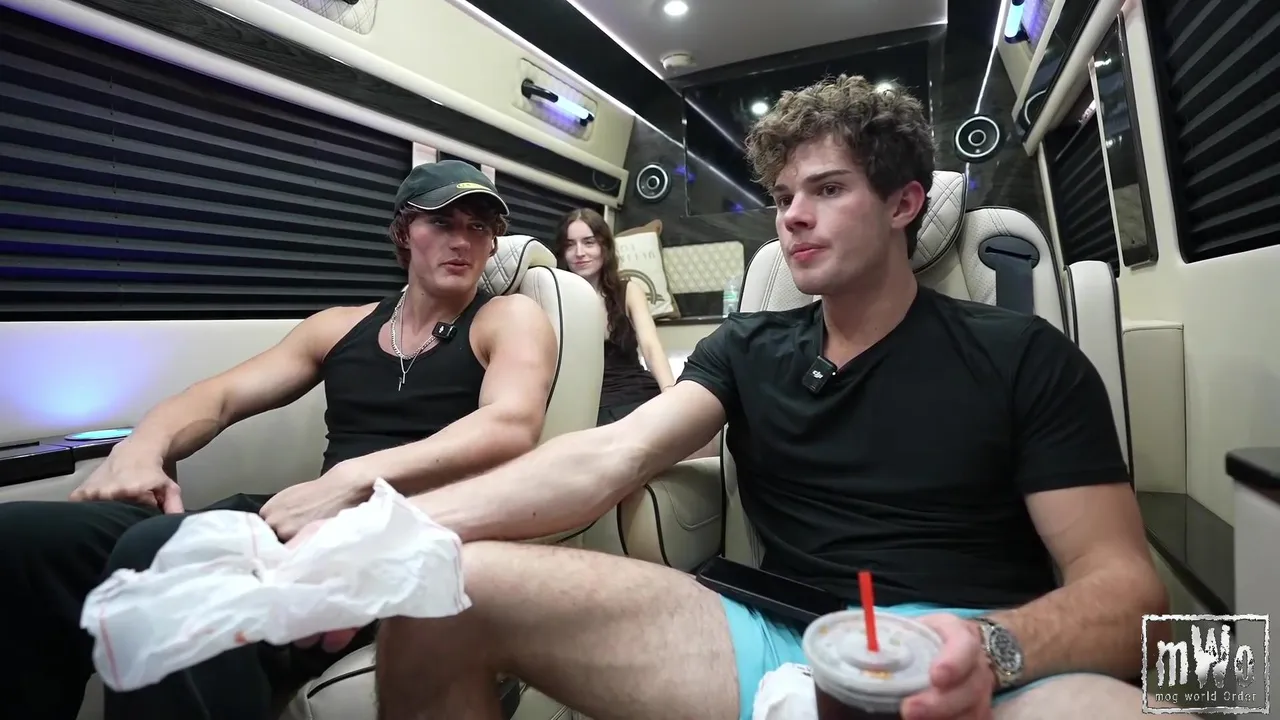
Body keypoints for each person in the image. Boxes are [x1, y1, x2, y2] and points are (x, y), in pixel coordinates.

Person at [326, 77, 1167, 719]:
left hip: (981, 647)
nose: (793, 217)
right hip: (778, 637)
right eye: (784, 197)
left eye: (827, 190)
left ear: (904, 204)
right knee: (442, 585)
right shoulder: (748, 347)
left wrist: (992, 647)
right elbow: (608, 455)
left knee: (1203, 691)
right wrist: (379, 529)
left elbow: (1129, 588)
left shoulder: (1022, 355)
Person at [0, 160, 559, 720]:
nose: (462, 241)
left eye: (479, 227)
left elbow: (509, 423)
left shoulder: (507, 316)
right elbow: (218, 398)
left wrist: (350, 480)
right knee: (27, 538)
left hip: (404, 541)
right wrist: (141, 449)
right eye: (442, 222)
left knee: (169, 560)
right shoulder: (339, 326)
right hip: (304, 523)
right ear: (403, 232)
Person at [556, 208, 676, 425]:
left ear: (605, 247)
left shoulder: (629, 291)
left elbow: (650, 347)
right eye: (570, 245)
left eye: (589, 242)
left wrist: (671, 394)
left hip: (635, 391)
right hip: (587, 401)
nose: (579, 252)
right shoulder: (553, 296)